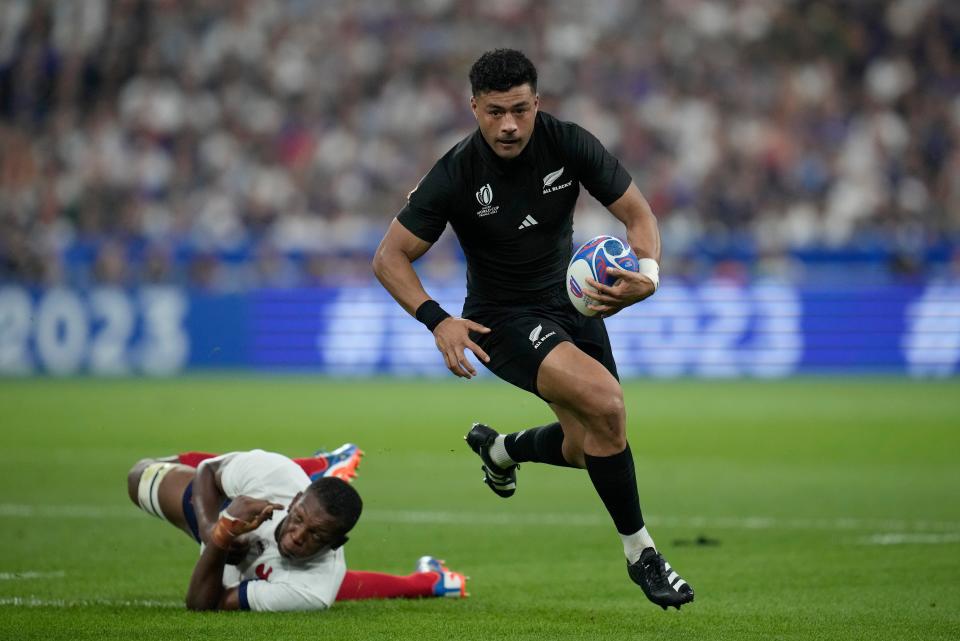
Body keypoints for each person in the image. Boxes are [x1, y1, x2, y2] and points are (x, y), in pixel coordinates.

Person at [372, 48, 693, 610]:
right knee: (608, 405)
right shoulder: (455, 174)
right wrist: (438, 319)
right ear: (473, 107)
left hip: (573, 303)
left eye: (520, 109)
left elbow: (640, 216)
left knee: (587, 445)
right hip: (502, 320)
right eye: (495, 111)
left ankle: (502, 450)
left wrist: (648, 273)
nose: (510, 125)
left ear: (537, 102)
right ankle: (641, 554)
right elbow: (389, 258)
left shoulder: (567, 142)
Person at [126, 444, 467, 611]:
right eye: (299, 520)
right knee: (140, 477)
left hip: (287, 560)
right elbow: (208, 471)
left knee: (320, 579)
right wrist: (211, 524)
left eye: (316, 535)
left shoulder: (313, 591)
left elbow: (204, 604)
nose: (297, 536)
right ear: (293, 503)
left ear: (336, 544)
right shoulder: (274, 479)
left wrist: (223, 536)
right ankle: (318, 467)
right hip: (241, 498)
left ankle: (431, 582)